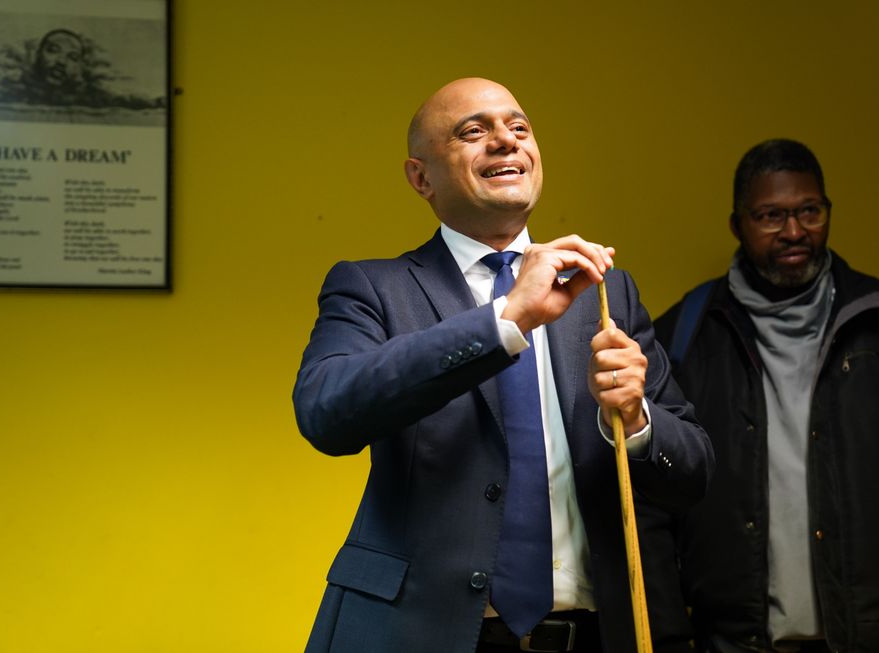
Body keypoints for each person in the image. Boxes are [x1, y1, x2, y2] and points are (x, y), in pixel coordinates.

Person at [293, 77, 713, 653]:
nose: (505, 142)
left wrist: (637, 421)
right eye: (473, 131)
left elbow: (693, 473)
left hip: (590, 634)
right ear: (421, 177)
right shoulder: (373, 287)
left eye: (519, 128)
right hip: (421, 634)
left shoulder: (604, 291)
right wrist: (504, 320)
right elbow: (325, 412)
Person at [653, 138, 879, 653]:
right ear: (737, 225)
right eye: (770, 215)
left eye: (810, 211)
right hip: (735, 641)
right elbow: (652, 503)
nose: (794, 232)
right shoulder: (682, 339)